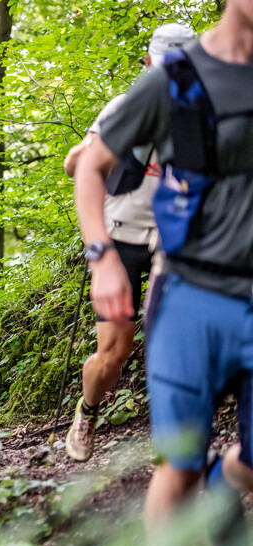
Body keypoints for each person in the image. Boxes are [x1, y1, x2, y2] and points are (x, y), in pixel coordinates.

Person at [74, 9, 253, 546]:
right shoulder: (170, 82)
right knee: (174, 453)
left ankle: (226, 482)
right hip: (181, 282)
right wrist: (102, 261)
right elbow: (88, 164)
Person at [63, 23, 195, 462]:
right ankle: (87, 410)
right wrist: (100, 146)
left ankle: (172, 446)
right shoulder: (126, 106)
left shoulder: (203, 111)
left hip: (171, 242)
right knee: (116, 350)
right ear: (148, 64)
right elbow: (73, 167)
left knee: (172, 340)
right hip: (119, 238)